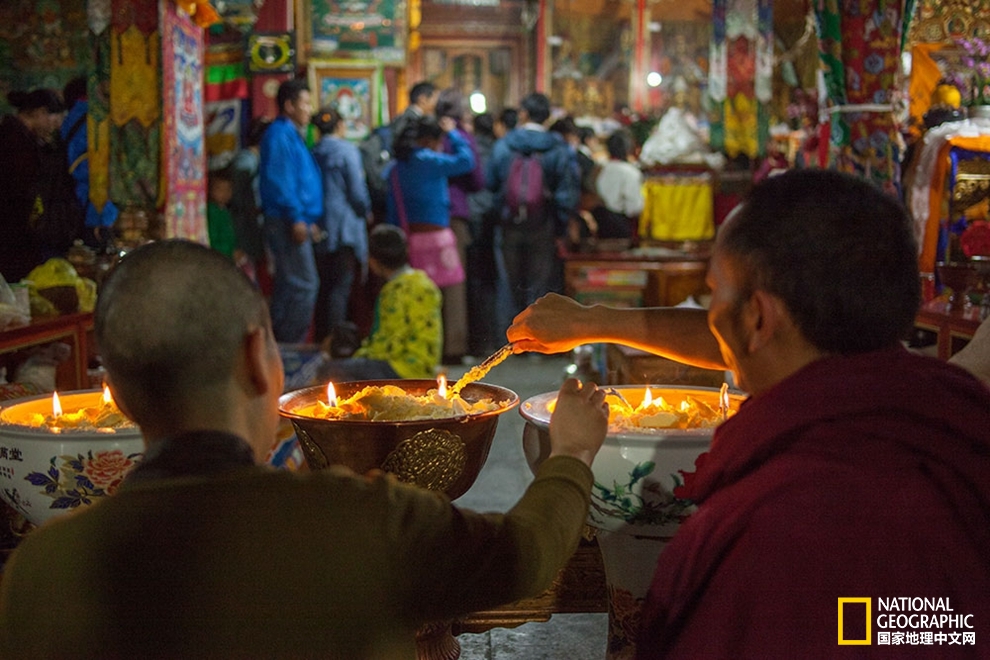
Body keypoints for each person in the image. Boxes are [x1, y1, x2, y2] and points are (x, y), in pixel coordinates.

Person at [0, 238, 609, 659]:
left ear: (121, 395)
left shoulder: (41, 571)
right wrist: (571, 455)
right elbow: (524, 555)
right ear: (254, 360)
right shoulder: (361, 518)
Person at [507, 169, 990, 657]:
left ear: (757, 317)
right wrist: (594, 321)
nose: (710, 314)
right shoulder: (950, 426)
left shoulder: (764, 540)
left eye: (714, 291)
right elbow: (927, 626)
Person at [384, 115, 475, 360]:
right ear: (428, 140)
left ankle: (422, 348)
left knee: (419, 294)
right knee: (452, 296)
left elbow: (392, 207)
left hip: (412, 239)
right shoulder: (430, 160)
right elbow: (467, 161)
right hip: (438, 237)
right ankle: (453, 349)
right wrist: (454, 134)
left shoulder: (394, 168)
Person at [486, 92, 580, 317]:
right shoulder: (557, 148)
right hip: (543, 222)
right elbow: (566, 192)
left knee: (508, 285)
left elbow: (490, 183)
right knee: (539, 286)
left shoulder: (504, 145)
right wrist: (562, 226)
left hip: (508, 223)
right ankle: (537, 342)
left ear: (524, 114)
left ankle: (509, 343)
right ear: (546, 117)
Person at [316, 224, 441, 381]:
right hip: (426, 365)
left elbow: (388, 345)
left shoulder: (395, 290)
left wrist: (357, 357)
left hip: (403, 368)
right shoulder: (425, 282)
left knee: (330, 370)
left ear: (373, 262)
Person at [259, 79, 324, 343]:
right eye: (305, 103)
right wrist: (297, 217)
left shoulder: (292, 134)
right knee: (304, 285)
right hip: (286, 220)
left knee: (289, 285)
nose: (309, 109)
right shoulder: (279, 135)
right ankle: (289, 345)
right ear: (289, 105)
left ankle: (278, 346)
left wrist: (307, 219)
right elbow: (281, 181)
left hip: (295, 218)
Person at [311, 106, 372, 345]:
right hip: (345, 227)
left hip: (319, 226)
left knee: (323, 285)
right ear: (340, 126)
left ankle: (320, 339)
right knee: (341, 286)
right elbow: (357, 192)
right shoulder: (347, 150)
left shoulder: (312, 151)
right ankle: (336, 341)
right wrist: (365, 211)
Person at [435, 87, 484, 364]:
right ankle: (453, 346)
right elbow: (477, 179)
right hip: (454, 215)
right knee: (453, 282)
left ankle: (431, 343)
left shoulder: (427, 135)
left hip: (423, 218)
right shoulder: (460, 138)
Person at [0, 89, 67, 282]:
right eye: (54, 119)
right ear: (40, 112)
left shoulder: (15, 136)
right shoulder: (16, 142)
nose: (55, 126)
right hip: (15, 232)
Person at [60, 76, 118, 251]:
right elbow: (91, 169)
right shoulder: (94, 119)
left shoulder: (72, 118)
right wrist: (102, 217)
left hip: (81, 205)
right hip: (95, 208)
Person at [228, 116, 270, 285]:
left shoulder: (258, 160)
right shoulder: (247, 161)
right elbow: (238, 196)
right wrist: (252, 209)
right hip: (245, 226)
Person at [591, 128, 643, 239]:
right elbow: (634, 208)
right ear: (628, 149)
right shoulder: (631, 172)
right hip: (622, 227)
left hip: (598, 223)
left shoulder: (598, 168)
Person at [389, 81, 439, 156]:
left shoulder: (404, 117)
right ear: (423, 99)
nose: (437, 104)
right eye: (435, 99)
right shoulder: (412, 121)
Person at [206, 170, 237, 260]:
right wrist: (230, 252)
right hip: (216, 260)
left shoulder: (224, 211)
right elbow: (211, 242)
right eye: (219, 189)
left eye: (228, 189)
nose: (225, 193)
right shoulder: (211, 212)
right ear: (210, 190)